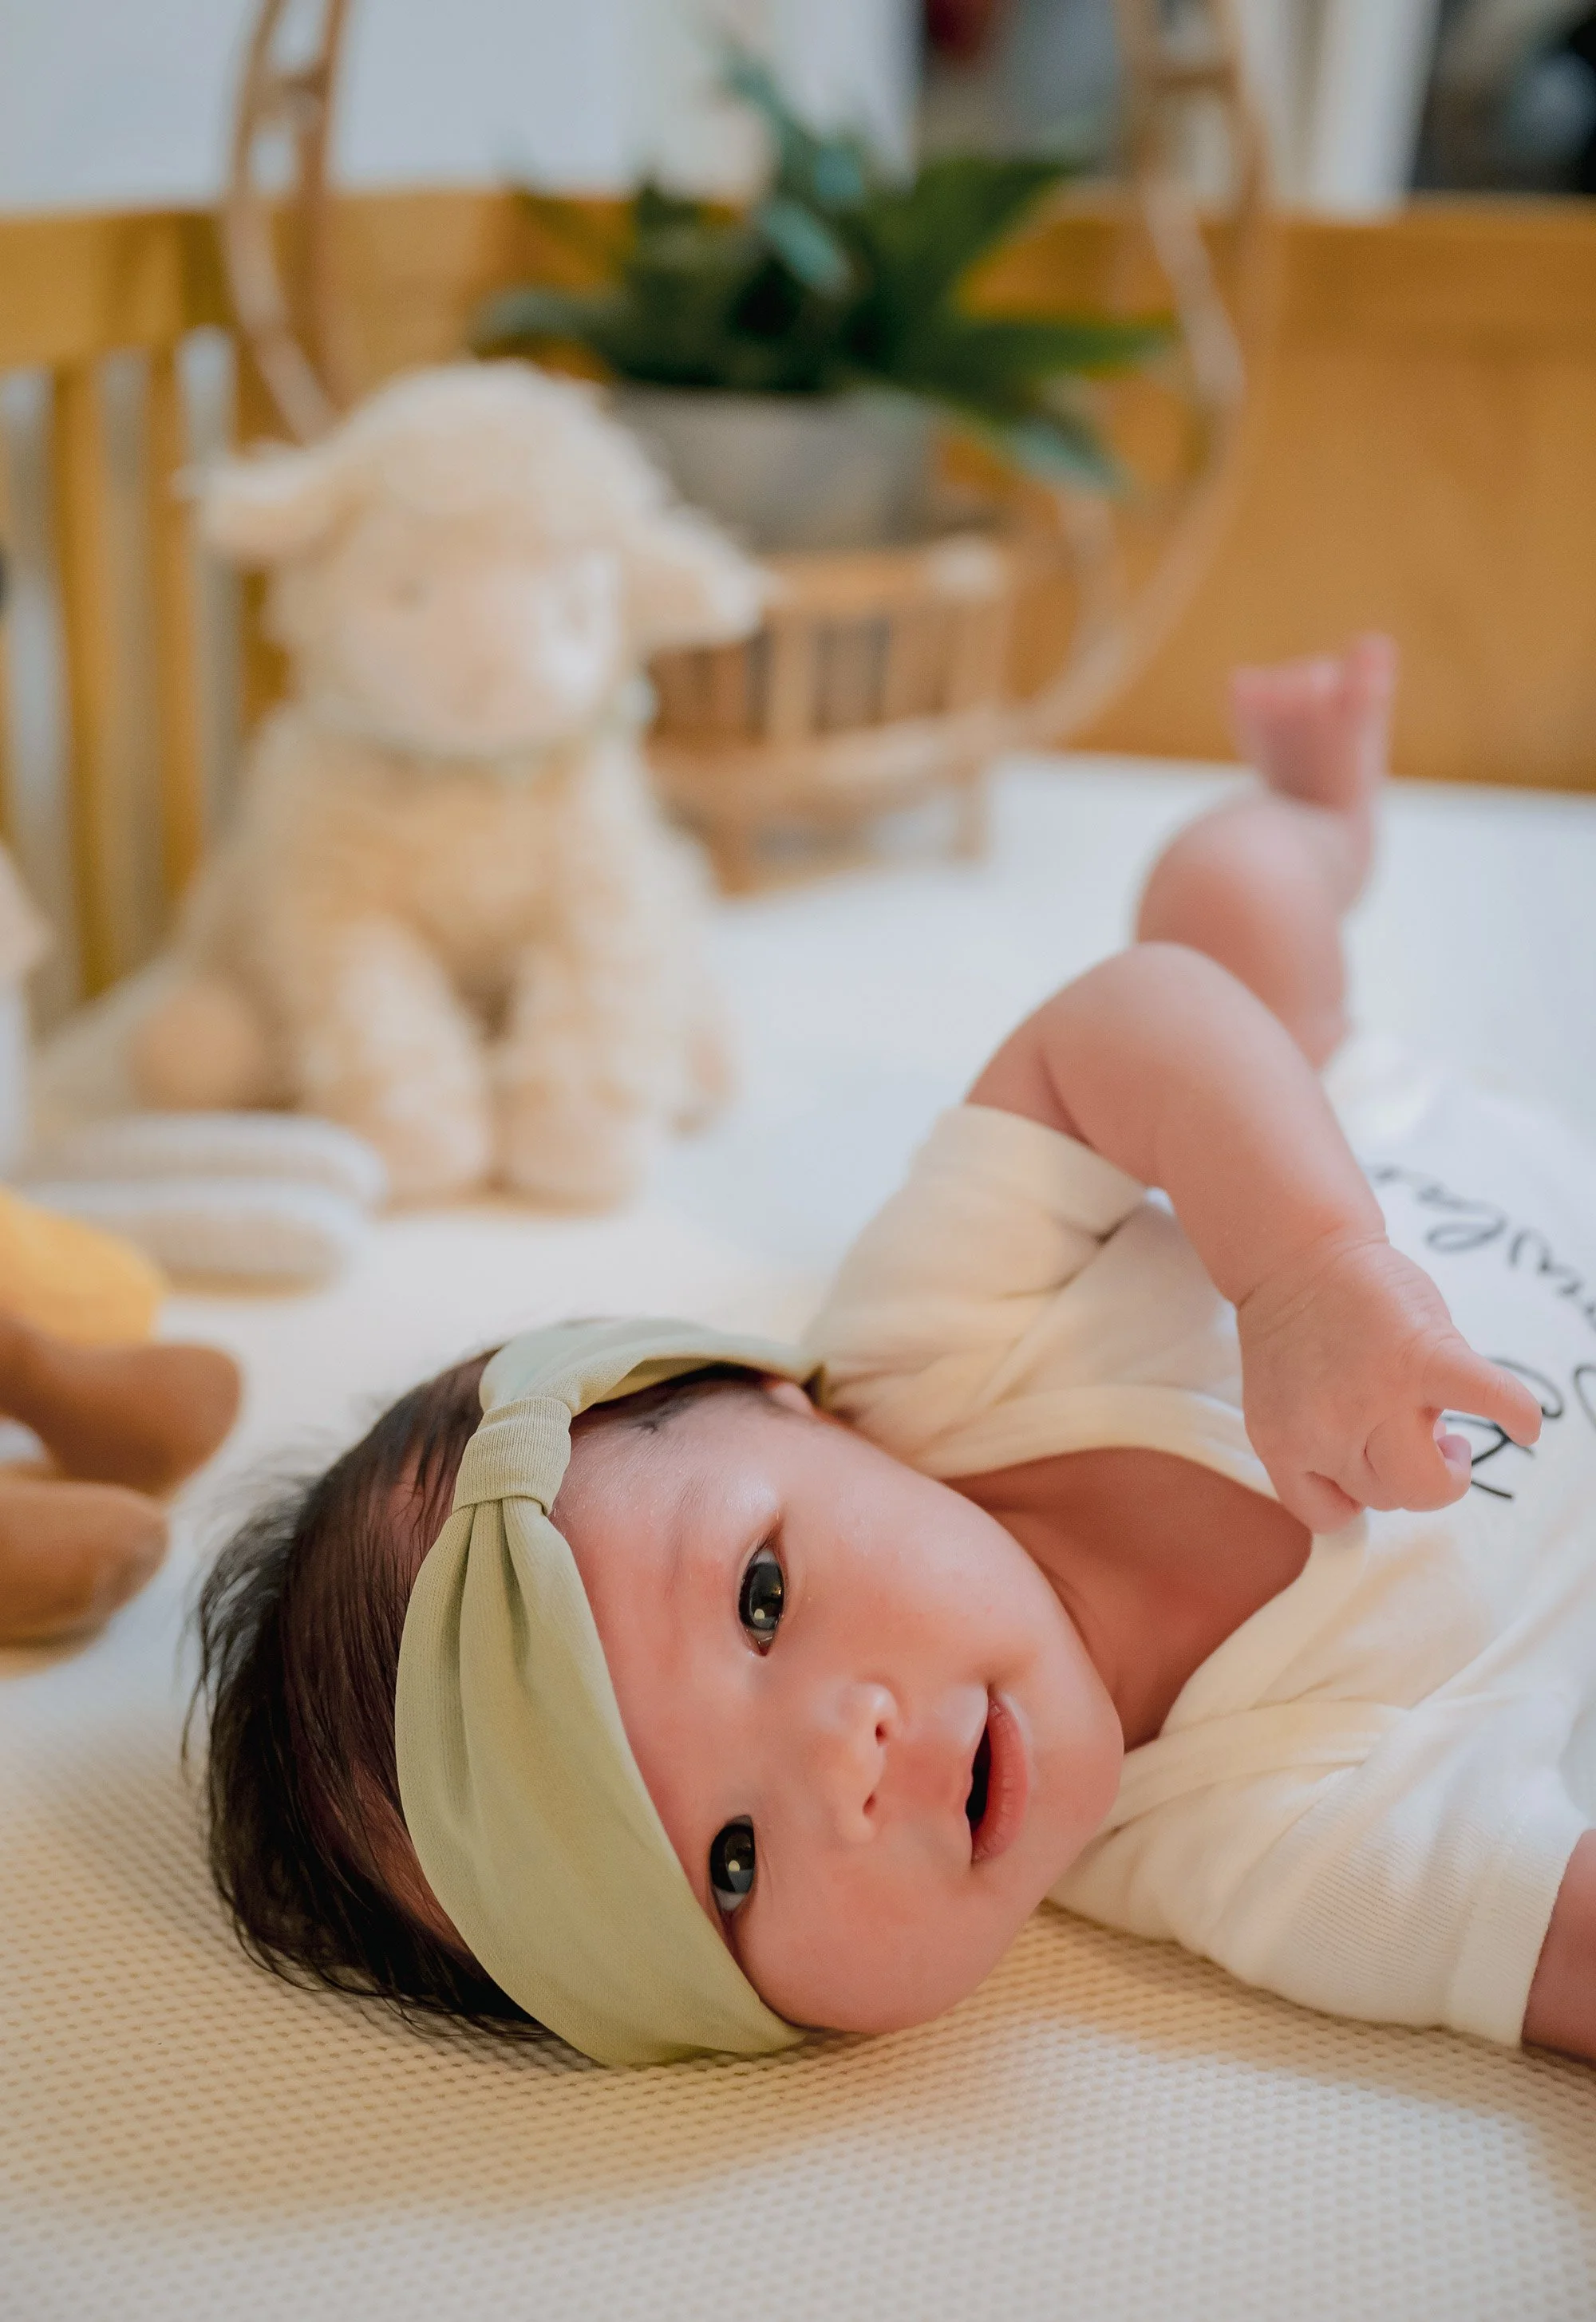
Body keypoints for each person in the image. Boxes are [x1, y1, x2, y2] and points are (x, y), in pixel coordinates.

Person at [197, 635, 1596, 2070]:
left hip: (1344, 1108)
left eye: (760, 1593)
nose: (841, 1753)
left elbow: (1133, 1020)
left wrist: (1311, 1271)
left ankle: (1316, 814)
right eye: (731, 1865)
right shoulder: (1261, 1843)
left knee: (1222, 905)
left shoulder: (927, 1356)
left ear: (775, 1402)